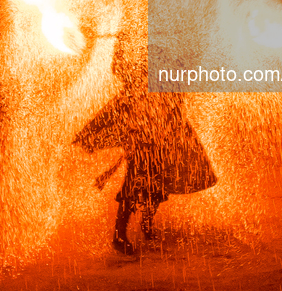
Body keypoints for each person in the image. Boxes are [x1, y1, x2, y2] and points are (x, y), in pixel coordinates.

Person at [72, 32, 217, 255]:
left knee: (156, 184)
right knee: (133, 185)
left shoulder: (170, 75)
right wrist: (120, 43)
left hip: (162, 137)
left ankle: (147, 225)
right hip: (141, 138)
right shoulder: (137, 77)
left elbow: (176, 102)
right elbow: (118, 73)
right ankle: (119, 235)